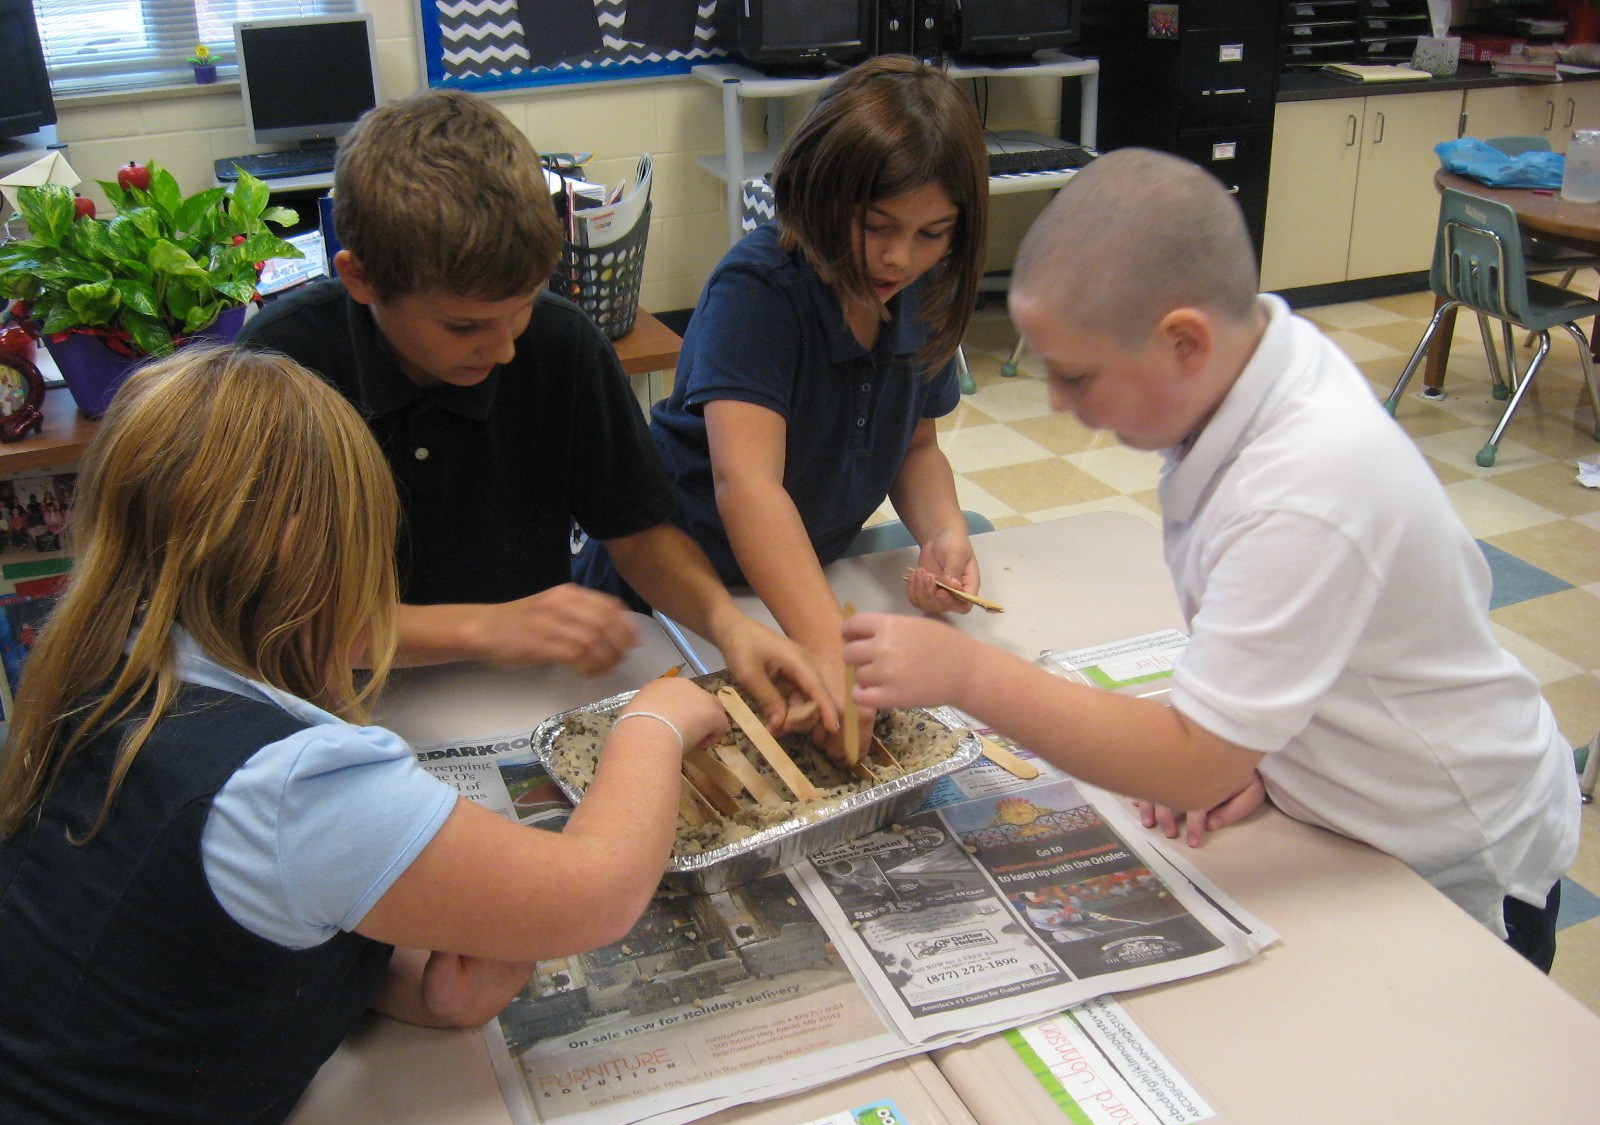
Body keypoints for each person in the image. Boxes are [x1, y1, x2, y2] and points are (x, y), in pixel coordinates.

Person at [0, 347, 729, 1125]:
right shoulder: (287, 782)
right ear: (304, 554)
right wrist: (654, 720)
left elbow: (181, 945)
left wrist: (402, 987)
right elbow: (598, 890)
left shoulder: (101, 668)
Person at [842, 149, 1580, 972]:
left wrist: (966, 676)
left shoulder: (1304, 484)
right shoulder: (1253, 362)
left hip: (1447, 844)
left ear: (1185, 342)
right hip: (1349, 796)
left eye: (1076, 375)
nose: (1055, 401)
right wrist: (1264, 745)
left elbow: (1191, 763)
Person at [240, 90, 832, 734]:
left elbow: (636, 533)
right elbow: (276, 615)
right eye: (464, 325)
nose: (502, 347)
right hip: (339, 703)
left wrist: (727, 622)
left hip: (520, 694)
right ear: (360, 280)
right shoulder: (282, 368)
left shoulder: (561, 345)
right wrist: (486, 626)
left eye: (522, 306)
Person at [575, 55, 988, 756]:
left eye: (931, 233)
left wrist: (943, 531)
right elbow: (749, 485)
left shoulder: (923, 290)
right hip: (674, 596)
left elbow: (916, 448)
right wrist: (829, 647)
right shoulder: (760, 291)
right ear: (818, 194)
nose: (898, 259)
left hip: (796, 586)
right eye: (876, 225)